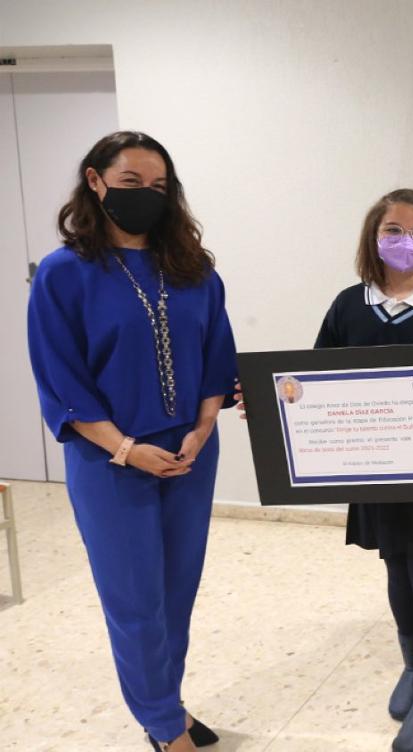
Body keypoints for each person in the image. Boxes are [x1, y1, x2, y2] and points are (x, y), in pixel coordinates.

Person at [236, 189, 413, 752]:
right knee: (397, 568)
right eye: (395, 230)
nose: (408, 242)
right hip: (375, 472)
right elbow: (310, 382)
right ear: (373, 236)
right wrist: (269, 398)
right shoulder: (348, 306)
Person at [27, 131, 236, 752]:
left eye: (159, 187)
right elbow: (62, 379)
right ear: (95, 182)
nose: (146, 196)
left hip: (190, 456)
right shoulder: (65, 274)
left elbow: (216, 360)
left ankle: (164, 705)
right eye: (130, 184)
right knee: (135, 600)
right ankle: (166, 727)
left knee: (176, 594)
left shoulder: (195, 270)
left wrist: (201, 430)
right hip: (110, 460)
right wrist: (125, 448)